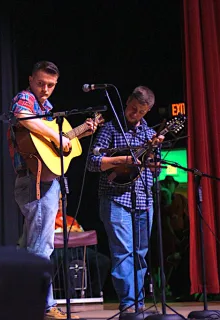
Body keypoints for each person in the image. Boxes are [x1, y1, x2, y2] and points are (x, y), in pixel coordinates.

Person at [7, 61, 97, 320]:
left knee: (32, 246)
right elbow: (22, 117)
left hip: (46, 182)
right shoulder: (25, 99)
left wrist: (73, 136)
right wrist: (58, 138)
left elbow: (58, 143)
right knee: (41, 247)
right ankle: (45, 308)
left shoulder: (48, 110)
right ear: (30, 79)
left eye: (51, 85)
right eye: (40, 83)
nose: (45, 89)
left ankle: (26, 303)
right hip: (33, 182)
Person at [87, 86, 164, 313]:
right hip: (114, 199)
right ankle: (128, 305)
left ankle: (139, 304)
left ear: (147, 111)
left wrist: (153, 163)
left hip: (143, 199)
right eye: (132, 108)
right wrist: (122, 159)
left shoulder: (149, 135)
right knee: (123, 252)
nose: (135, 114)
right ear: (127, 101)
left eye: (141, 112)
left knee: (140, 254)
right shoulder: (111, 129)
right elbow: (92, 162)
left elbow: (155, 171)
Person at [159, 175, 189, 299]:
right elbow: (164, 218)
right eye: (166, 184)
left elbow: (185, 215)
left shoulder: (181, 199)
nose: (168, 186)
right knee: (168, 257)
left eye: (170, 184)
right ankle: (164, 287)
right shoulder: (162, 199)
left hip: (181, 234)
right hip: (166, 236)